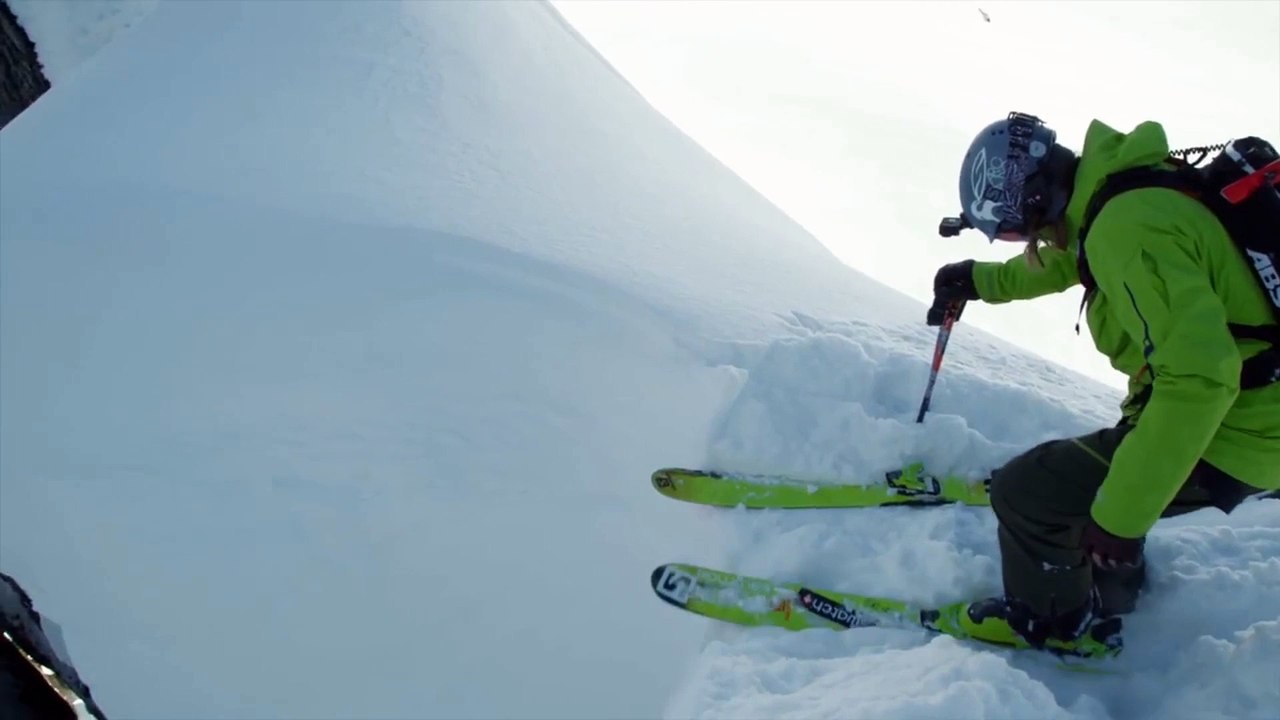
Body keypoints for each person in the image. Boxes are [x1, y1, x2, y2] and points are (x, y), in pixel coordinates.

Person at [927, 112, 1280, 649]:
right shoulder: (1116, 189)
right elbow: (1070, 260)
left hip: (1244, 433)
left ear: (1038, 199)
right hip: (1251, 412)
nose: (1026, 242)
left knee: (1030, 492)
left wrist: (1120, 518)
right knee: (1106, 479)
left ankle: (1054, 623)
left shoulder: (1124, 228)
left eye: (1018, 229)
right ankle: (1115, 591)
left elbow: (1202, 379)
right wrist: (977, 281)